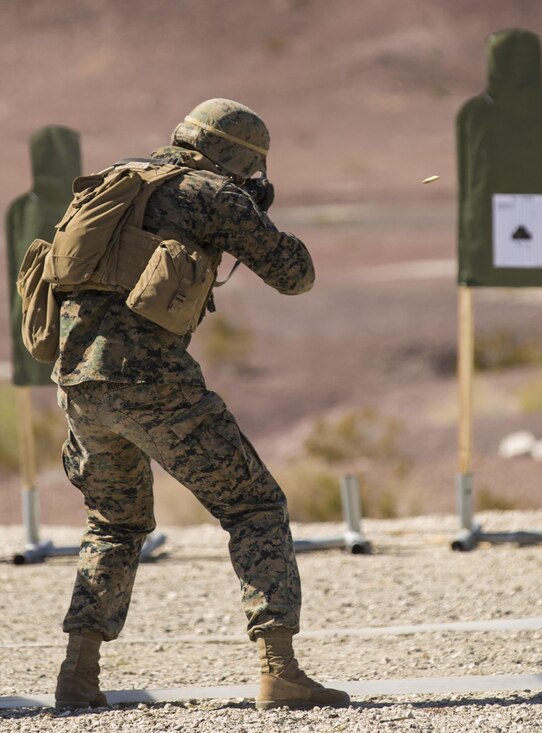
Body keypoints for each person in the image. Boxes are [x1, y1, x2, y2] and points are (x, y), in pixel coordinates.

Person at [52, 99, 349, 711]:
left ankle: (78, 676)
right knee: (255, 506)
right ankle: (280, 669)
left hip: (78, 383)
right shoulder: (214, 193)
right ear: (241, 160)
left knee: (113, 524)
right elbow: (296, 275)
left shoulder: (117, 182)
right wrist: (252, 214)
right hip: (152, 384)